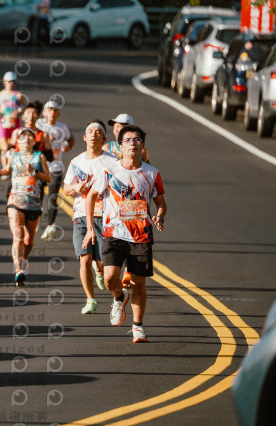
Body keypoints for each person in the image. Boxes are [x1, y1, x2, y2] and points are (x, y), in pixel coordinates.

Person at [83, 125, 167, 343]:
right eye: (127, 140)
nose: (132, 143)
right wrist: (90, 228)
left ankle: (138, 327)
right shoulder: (109, 170)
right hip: (114, 233)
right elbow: (91, 196)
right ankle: (119, 297)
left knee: (139, 282)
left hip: (141, 235)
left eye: (137, 139)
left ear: (143, 145)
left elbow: (160, 202)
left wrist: (159, 215)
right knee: (110, 278)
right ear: (119, 146)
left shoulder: (152, 173)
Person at [63, 120, 114, 314]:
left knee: (101, 263)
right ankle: (90, 300)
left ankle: (99, 270)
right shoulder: (76, 162)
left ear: (104, 138)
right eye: (90, 131)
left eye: (98, 132)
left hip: (104, 216)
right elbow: (66, 188)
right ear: (84, 138)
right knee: (84, 258)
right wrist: (76, 187)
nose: (94, 134)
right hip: (81, 215)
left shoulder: (112, 162)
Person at [0, 127, 51, 286]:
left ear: (34, 141)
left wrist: (34, 171)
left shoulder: (39, 156)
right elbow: (7, 170)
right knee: (18, 237)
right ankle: (18, 270)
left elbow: (48, 178)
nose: (27, 139)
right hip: (15, 201)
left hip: (34, 203)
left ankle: (24, 258)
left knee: (29, 241)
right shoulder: (14, 155)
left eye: (30, 136)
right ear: (18, 141)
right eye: (23, 137)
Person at [36, 100, 75, 241]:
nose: (52, 112)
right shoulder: (39, 125)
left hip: (55, 168)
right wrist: (46, 139)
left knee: (53, 197)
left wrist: (68, 146)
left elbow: (71, 140)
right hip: (39, 166)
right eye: (49, 109)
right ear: (44, 112)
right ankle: (37, 215)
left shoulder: (62, 127)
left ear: (58, 114)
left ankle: (50, 226)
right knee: (37, 195)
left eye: (55, 110)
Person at [0, 71, 25, 175]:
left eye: (12, 81)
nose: (10, 84)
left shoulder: (18, 95)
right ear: (4, 82)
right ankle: (5, 168)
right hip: (3, 122)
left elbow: (24, 107)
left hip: (14, 122)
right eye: (8, 81)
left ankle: (16, 166)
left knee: (16, 146)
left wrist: (18, 111)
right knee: (5, 147)